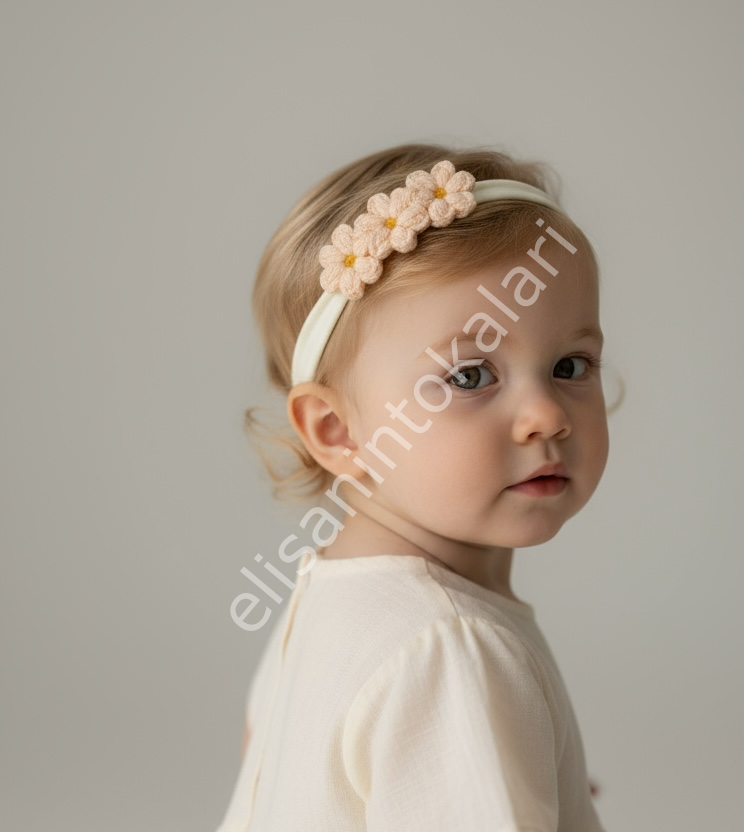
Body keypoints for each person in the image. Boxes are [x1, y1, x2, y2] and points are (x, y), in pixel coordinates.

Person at [217, 142, 619, 831]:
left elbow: (275, 755)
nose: (547, 415)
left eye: (570, 365)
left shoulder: (329, 592)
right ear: (338, 430)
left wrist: (506, 764)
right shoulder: (451, 646)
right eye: (469, 376)